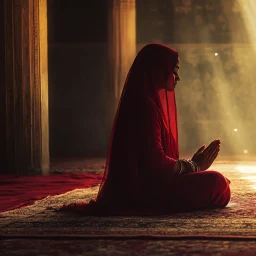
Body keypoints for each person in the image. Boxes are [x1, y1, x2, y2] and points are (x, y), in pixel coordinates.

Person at [63, 43, 231, 215]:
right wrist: (193, 166)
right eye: (174, 71)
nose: (177, 77)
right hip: (143, 192)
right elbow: (156, 164)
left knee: (220, 182)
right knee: (217, 182)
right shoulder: (145, 106)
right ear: (158, 70)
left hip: (149, 185)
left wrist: (192, 167)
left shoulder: (149, 102)